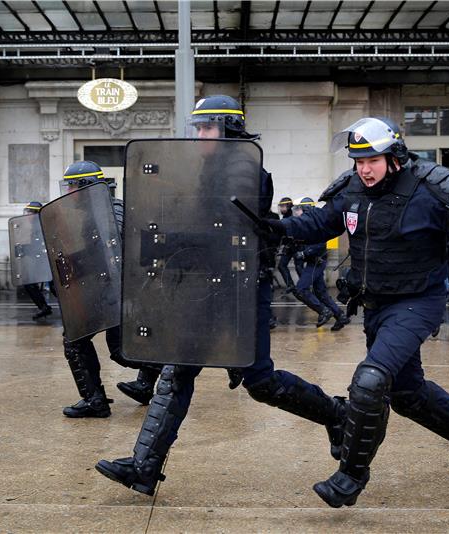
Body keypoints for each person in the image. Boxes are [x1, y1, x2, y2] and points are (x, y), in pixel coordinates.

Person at [95, 95, 347, 496]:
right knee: (177, 369)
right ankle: (144, 467)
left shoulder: (247, 171)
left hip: (242, 287)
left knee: (260, 381)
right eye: (197, 127)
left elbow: (224, 233)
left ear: (228, 129)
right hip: (209, 285)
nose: (199, 134)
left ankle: (336, 413)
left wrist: (171, 240)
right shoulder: (207, 169)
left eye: (206, 127)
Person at [263, 117, 449, 507]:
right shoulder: (351, 188)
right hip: (376, 304)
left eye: (372, 160)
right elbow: (319, 223)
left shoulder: (431, 186)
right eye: (358, 161)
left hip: (418, 302)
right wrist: (276, 228)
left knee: (370, 381)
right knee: (406, 392)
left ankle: (350, 475)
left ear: (393, 155)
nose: (364, 169)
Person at [52, 161, 158, 416]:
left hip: (121, 293)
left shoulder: (112, 210)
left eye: (72, 187)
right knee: (78, 339)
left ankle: (169, 366)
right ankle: (100, 399)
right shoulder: (95, 210)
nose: (68, 193)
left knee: (121, 352)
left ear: (87, 186)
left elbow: (115, 248)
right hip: (110, 291)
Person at [290, 197, 351, 330]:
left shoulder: (315, 223)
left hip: (316, 262)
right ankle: (340, 316)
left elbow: (321, 244)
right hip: (314, 262)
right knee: (321, 293)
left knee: (300, 290)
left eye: (297, 209)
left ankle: (323, 311)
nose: (295, 212)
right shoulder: (308, 222)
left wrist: (304, 254)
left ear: (305, 208)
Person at [19, 201, 54, 321]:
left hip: (47, 262)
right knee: (29, 282)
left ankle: (70, 311)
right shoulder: (35, 226)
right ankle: (43, 307)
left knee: (55, 288)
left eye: (29, 212)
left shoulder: (42, 225)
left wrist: (26, 249)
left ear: (35, 214)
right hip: (41, 262)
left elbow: (41, 246)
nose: (27, 215)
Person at [276, 197, 303, 292]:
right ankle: (290, 285)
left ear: (288, 206)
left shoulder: (294, 216)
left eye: (283, 206)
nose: (281, 209)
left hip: (297, 246)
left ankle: (305, 286)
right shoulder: (285, 218)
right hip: (289, 246)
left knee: (299, 267)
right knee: (281, 265)